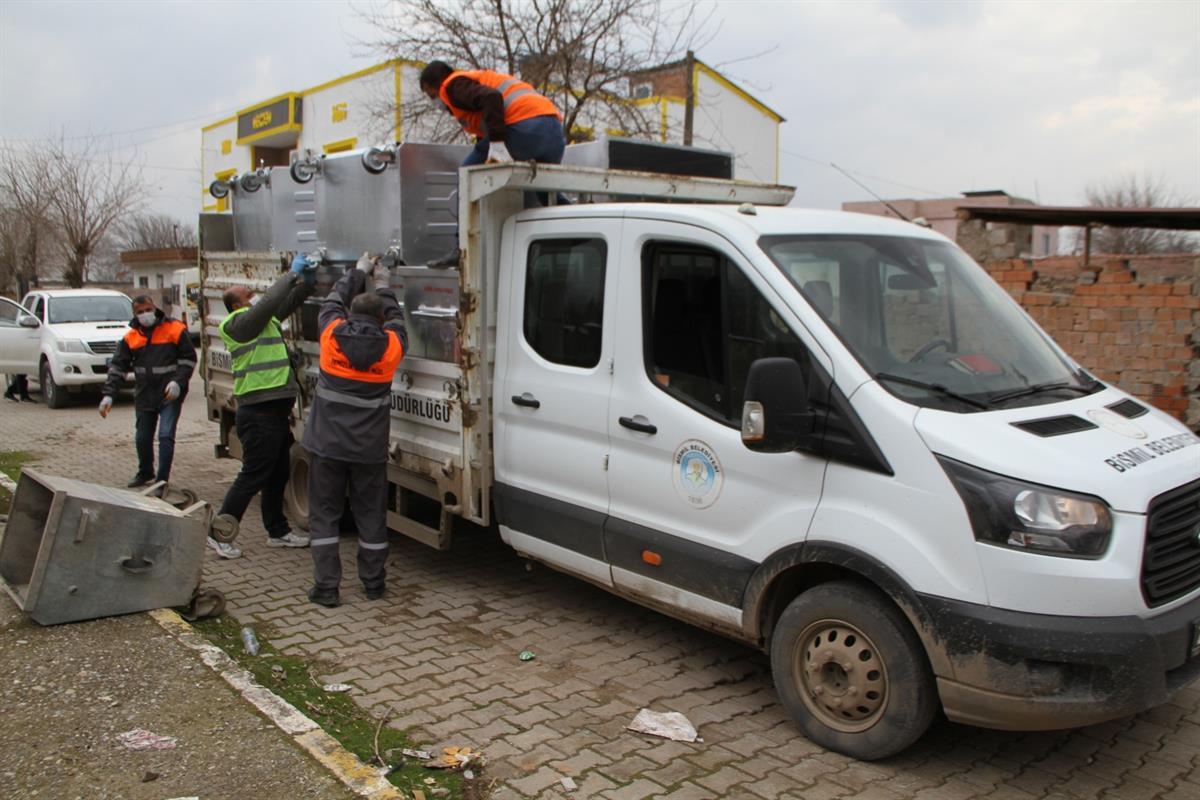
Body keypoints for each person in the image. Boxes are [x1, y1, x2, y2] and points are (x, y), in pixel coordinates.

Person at [303, 254, 407, 607]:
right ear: (380, 320)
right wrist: (384, 282)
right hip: (369, 451)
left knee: (325, 517)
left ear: (350, 315)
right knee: (371, 517)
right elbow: (398, 319)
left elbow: (332, 300)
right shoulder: (391, 347)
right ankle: (374, 585)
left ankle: (327, 588)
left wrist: (358, 271)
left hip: (327, 447)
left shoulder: (331, 336)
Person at [209, 255, 316, 559]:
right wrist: (289, 274)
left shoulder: (262, 320)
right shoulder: (237, 325)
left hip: (275, 413)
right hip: (258, 415)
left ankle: (278, 531)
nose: (252, 296)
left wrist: (307, 281)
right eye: (246, 295)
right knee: (253, 475)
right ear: (236, 304)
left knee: (278, 473)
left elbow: (288, 302)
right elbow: (270, 302)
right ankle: (219, 533)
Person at [419, 59, 569, 223]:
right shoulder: (479, 79)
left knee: (467, 176)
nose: (435, 102)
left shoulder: (452, 85)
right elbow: (489, 121)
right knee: (543, 189)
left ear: (437, 84)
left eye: (431, 95)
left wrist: (497, 144)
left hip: (525, 130)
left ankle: (461, 244)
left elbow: (492, 97)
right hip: (554, 134)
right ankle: (573, 223)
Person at [98, 295, 195, 489]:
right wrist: (109, 394)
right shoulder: (131, 338)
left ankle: (162, 480)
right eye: (140, 312)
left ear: (155, 308)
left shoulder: (175, 329)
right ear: (134, 314)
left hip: (169, 393)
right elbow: (118, 367)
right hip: (145, 394)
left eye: (147, 310)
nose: (145, 315)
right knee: (142, 437)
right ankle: (145, 472)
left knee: (166, 436)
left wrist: (178, 382)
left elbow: (188, 358)